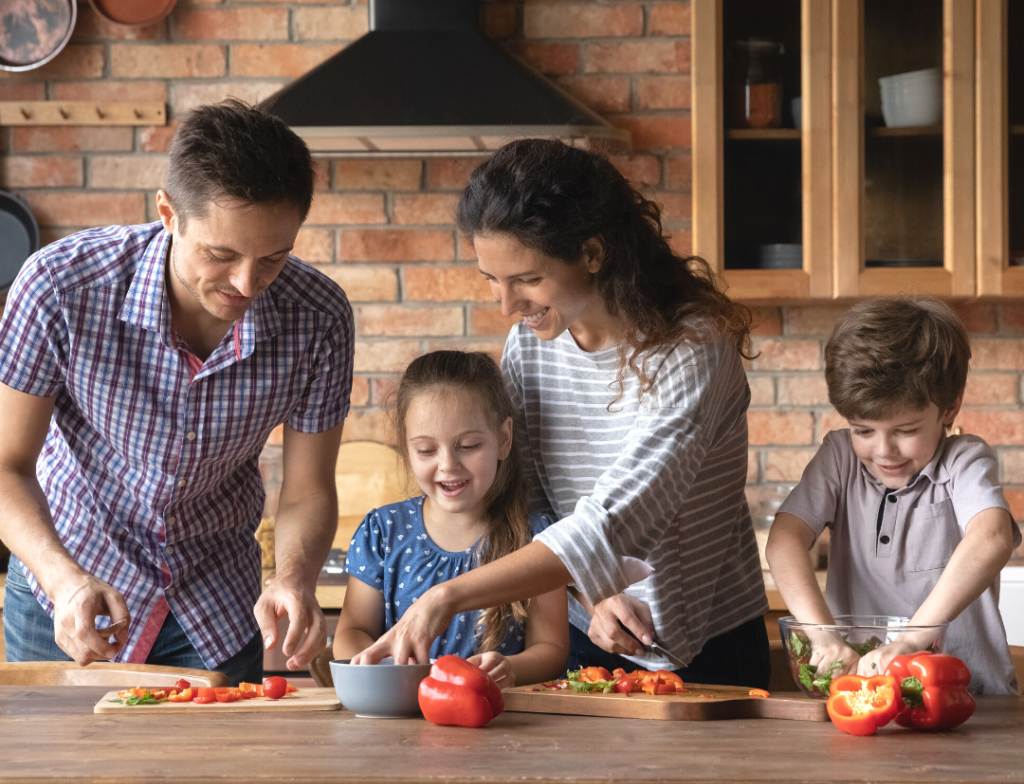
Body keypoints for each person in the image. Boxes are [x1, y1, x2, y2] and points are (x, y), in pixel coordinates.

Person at [353, 138, 771, 689]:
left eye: (527, 279)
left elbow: (618, 518)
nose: (507, 305)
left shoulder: (692, 347)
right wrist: (590, 592)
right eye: (491, 280)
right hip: (587, 633)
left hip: (708, 643)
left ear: (592, 254)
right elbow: (536, 499)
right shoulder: (532, 344)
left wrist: (446, 595)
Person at [0, 99, 354, 685]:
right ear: (169, 213)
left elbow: (308, 489)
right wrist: (63, 580)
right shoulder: (60, 286)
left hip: (214, 608)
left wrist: (293, 578)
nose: (246, 284)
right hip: (68, 593)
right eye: (221, 255)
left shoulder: (318, 316)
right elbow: (7, 465)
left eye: (273, 258)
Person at [766, 298, 1020, 695]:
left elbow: (992, 537)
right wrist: (822, 635)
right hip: (863, 694)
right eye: (863, 430)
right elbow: (785, 539)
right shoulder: (839, 457)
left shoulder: (964, 461)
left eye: (905, 430)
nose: (884, 451)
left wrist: (909, 642)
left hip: (970, 699)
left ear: (949, 407)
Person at [335, 350, 568, 688]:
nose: (448, 465)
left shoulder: (538, 539)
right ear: (406, 449)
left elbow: (552, 649)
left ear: (504, 439)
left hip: (500, 722)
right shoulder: (382, 532)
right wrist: (388, 663)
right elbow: (352, 631)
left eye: (469, 445)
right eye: (427, 450)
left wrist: (510, 667)